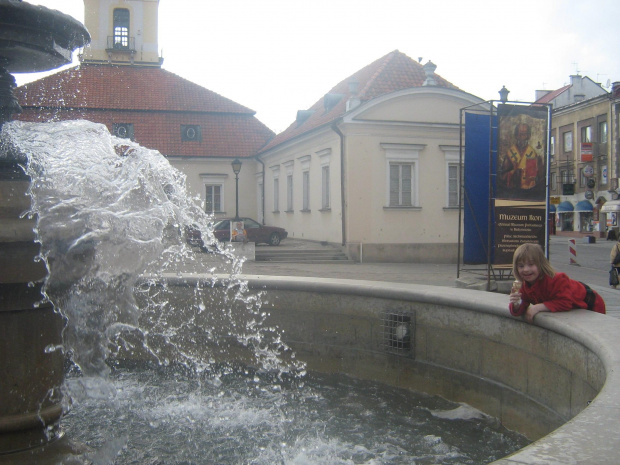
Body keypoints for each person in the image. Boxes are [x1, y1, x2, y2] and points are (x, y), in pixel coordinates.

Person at [509, 243, 606, 322]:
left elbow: (565, 303)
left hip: (592, 303)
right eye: (521, 266)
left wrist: (538, 307)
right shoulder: (524, 285)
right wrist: (516, 304)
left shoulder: (557, 279)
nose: (526, 269)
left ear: (541, 264)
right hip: (576, 308)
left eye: (531, 265)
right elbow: (521, 308)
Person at [500, 123, 544, 191]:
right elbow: (502, 177)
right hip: (513, 192)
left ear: (528, 136)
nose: (522, 137)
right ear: (516, 135)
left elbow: (541, 177)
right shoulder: (510, 154)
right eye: (520, 134)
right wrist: (513, 171)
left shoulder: (534, 155)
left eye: (525, 134)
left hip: (530, 192)